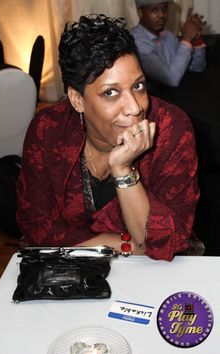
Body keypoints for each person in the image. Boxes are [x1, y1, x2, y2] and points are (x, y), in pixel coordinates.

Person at [16, 14, 199, 261]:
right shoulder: (48, 130)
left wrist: (123, 170)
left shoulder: (171, 128)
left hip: (151, 276)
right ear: (77, 99)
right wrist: (117, 245)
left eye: (138, 86)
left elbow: (167, 243)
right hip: (70, 272)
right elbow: (34, 223)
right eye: (111, 92)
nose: (134, 108)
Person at [131, 0, 206, 87]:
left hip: (177, 94)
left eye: (164, 9)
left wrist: (195, 39)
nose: (162, 15)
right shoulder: (138, 43)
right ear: (140, 13)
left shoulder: (167, 34)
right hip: (156, 98)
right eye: (155, 10)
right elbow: (171, 80)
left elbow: (196, 68)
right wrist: (186, 38)